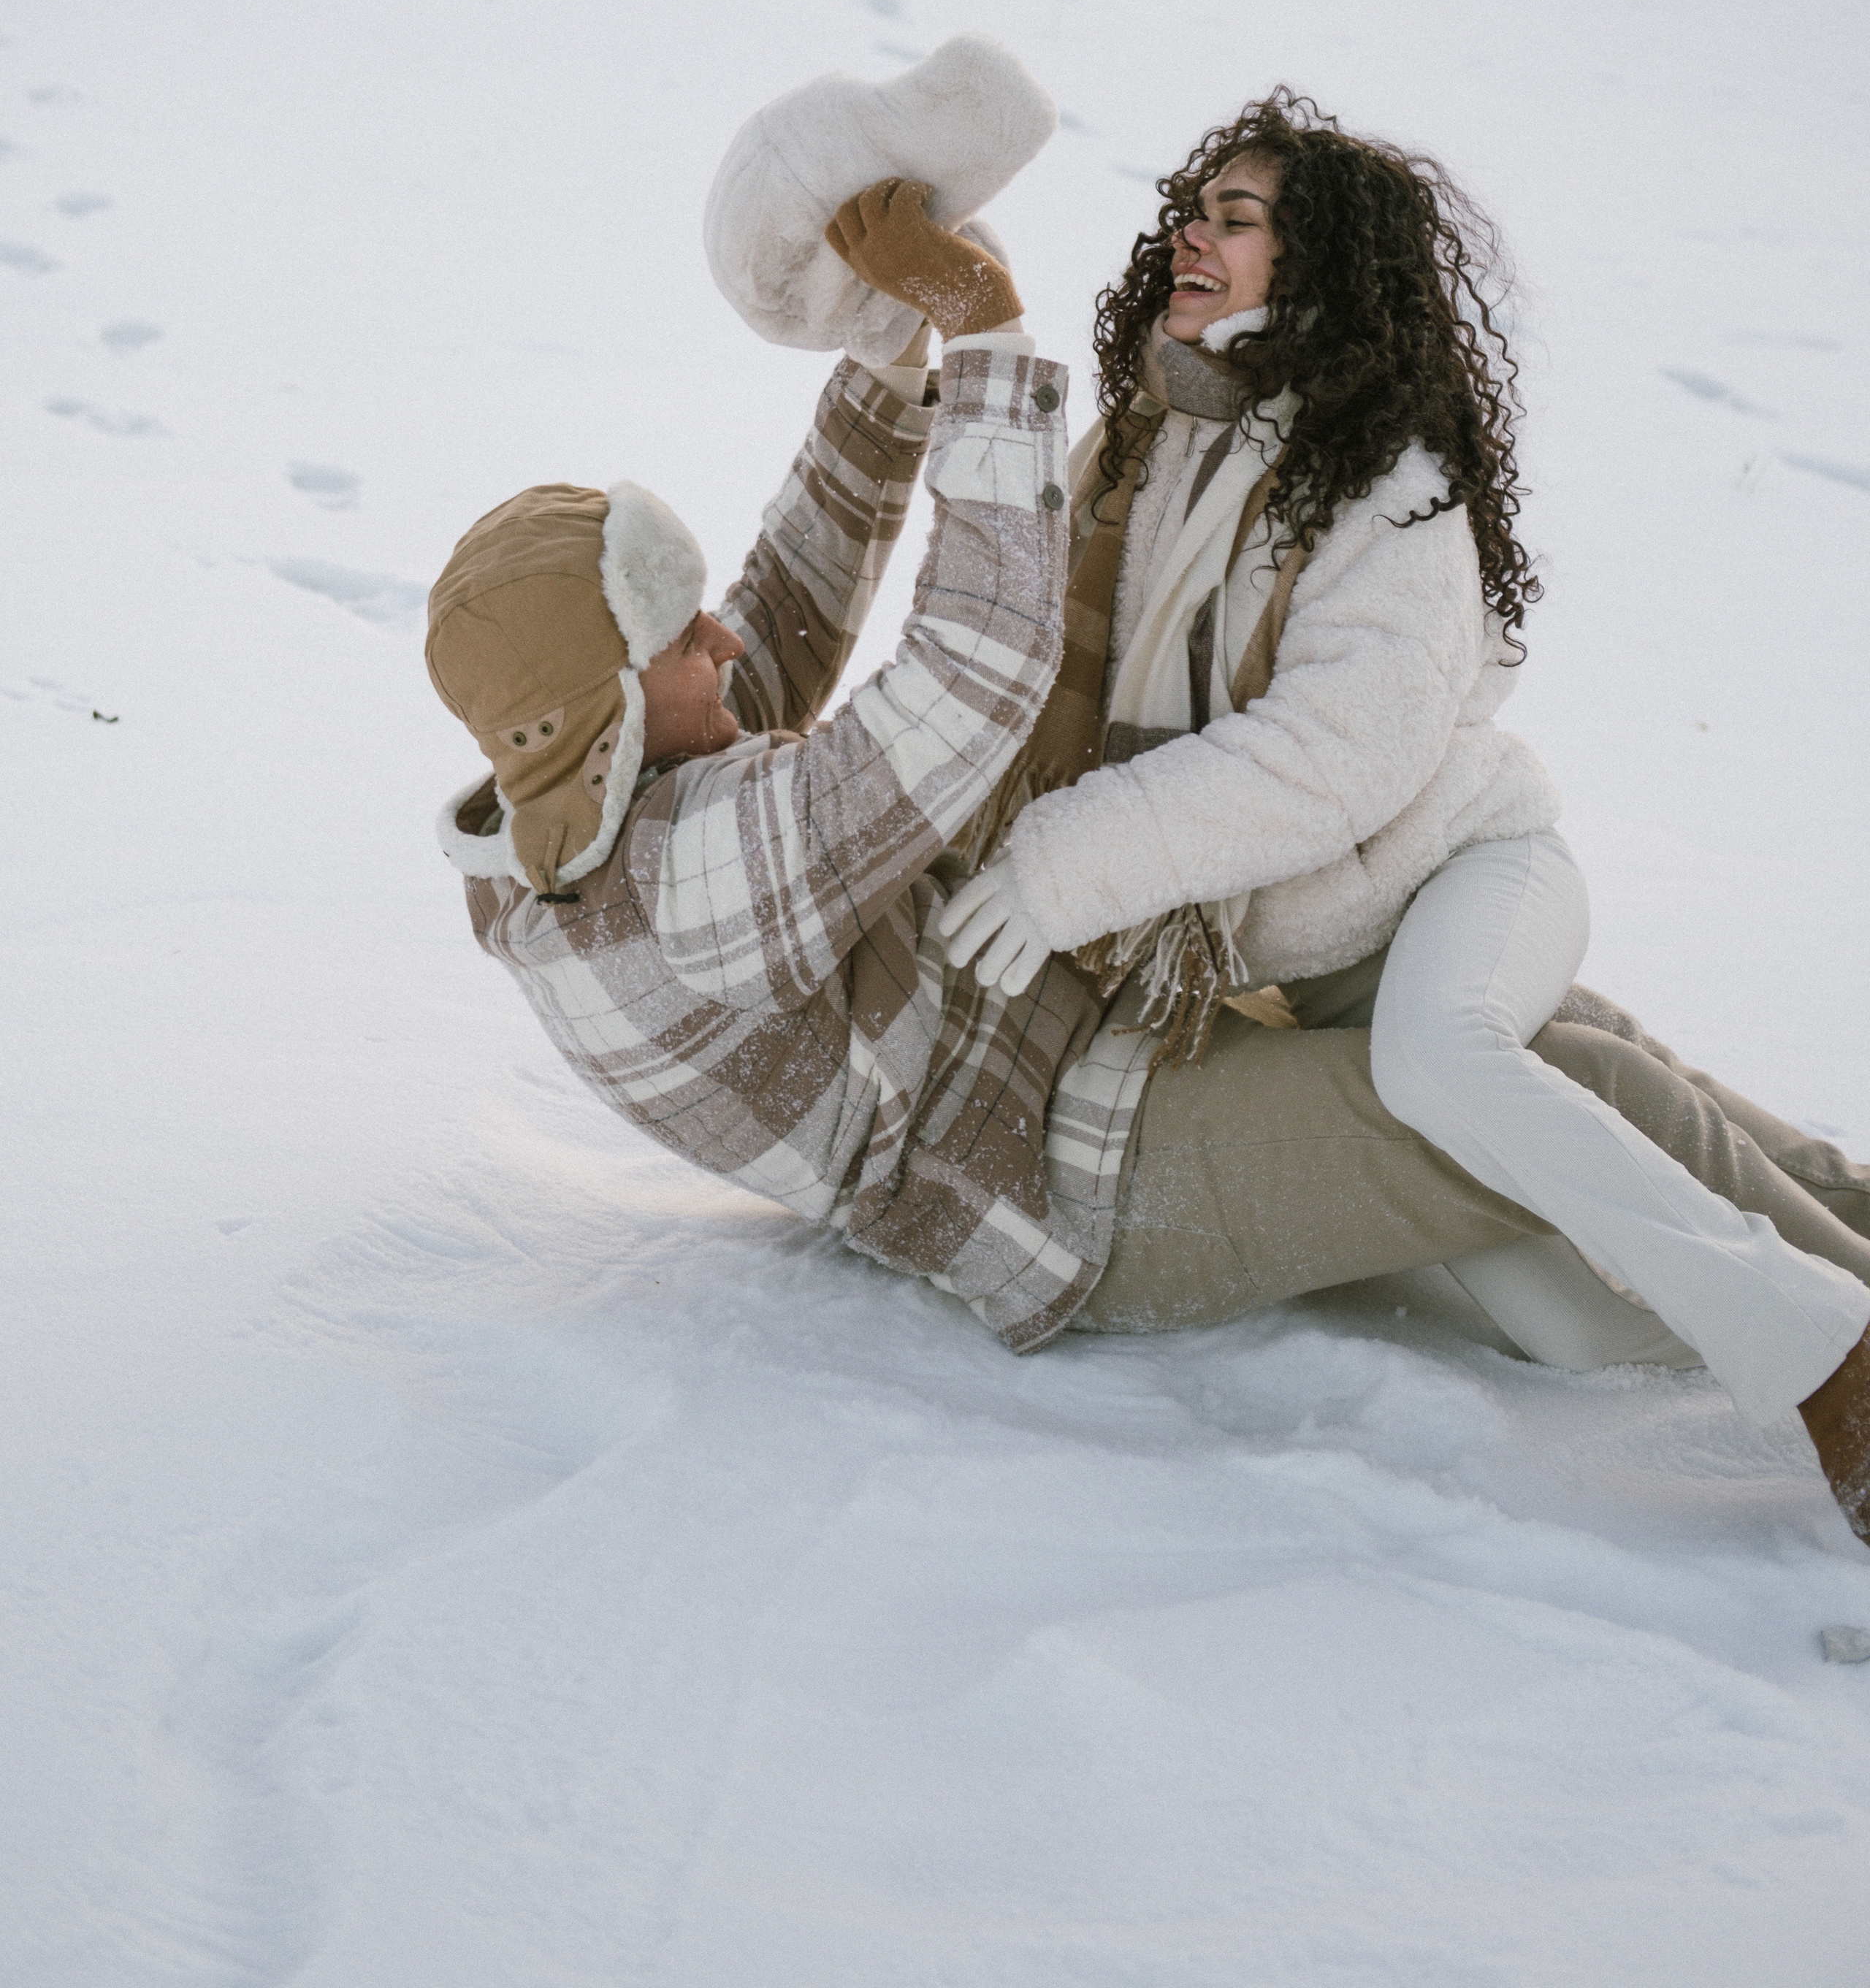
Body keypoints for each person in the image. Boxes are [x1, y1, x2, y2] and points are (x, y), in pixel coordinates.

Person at [427, 167, 1870, 1541]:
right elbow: (973, 670)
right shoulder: (692, 889)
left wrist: (884, 359)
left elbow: (778, 618)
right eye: (680, 637)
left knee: (1555, 1064)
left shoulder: (605, 806)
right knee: (1528, 1104)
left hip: (1103, 1037)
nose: (725, 641)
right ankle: (1842, 1353)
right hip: (1088, 1184)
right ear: (603, 710)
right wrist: (986, 341)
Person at [933, 91, 1870, 1537]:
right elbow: (1025, 625)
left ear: (1319, 264)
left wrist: (1069, 864)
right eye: (1192, 211)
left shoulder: (1386, 479)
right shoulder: (1147, 444)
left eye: (1238, 219)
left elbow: (1333, 757)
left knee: (1439, 1059)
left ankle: (1831, 1361)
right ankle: (1825, 1242)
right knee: (1564, 1328)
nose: (1193, 237)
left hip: (1462, 875)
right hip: (1309, 949)